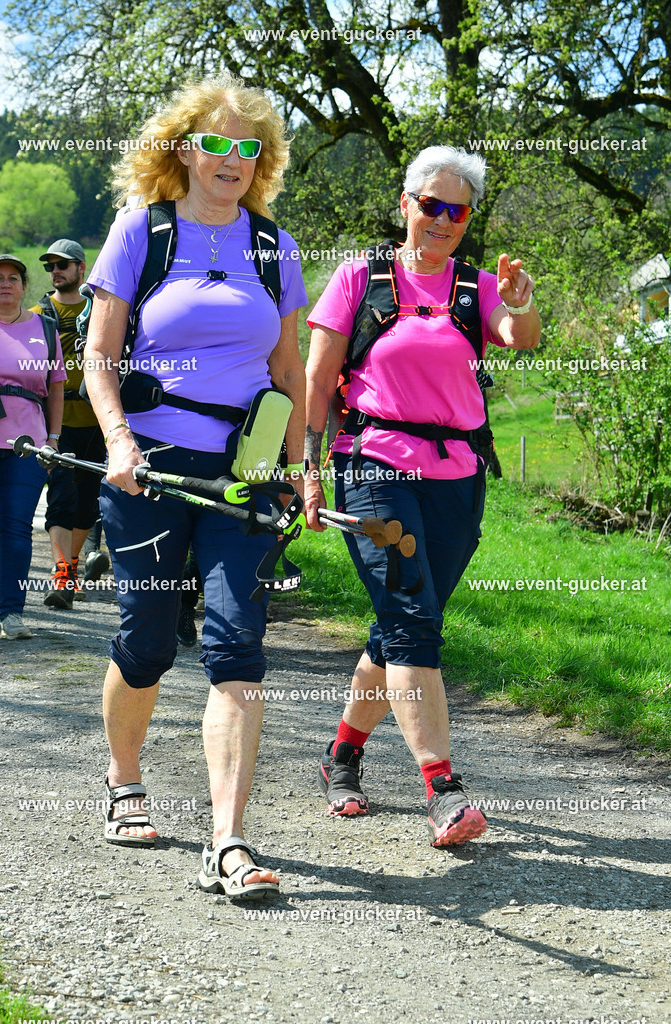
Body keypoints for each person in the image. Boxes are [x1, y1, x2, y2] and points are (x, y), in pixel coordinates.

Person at [83, 73, 306, 899]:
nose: (231, 158)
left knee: (238, 646)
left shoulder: (272, 246)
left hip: (245, 474)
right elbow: (99, 356)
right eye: (216, 142)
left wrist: (300, 467)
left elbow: (289, 369)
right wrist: (118, 441)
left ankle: (228, 842)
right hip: (147, 468)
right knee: (147, 641)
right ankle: (124, 780)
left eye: (248, 147)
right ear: (183, 148)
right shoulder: (141, 231)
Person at [304, 145, 541, 847]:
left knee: (403, 624)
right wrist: (307, 471)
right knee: (412, 620)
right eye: (430, 204)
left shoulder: (476, 286)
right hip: (372, 464)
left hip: (458, 475)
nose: (441, 219)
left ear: (468, 220)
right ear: (405, 204)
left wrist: (521, 304)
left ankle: (341, 756)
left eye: (456, 211)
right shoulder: (359, 277)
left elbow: (519, 337)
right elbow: (315, 382)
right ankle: (443, 788)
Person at [0, 254, 65, 638]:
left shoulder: (45, 328)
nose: (5, 283)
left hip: (27, 446)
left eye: (13, 278)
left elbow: (56, 388)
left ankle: (11, 614)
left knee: (16, 528)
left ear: (23, 286)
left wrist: (53, 439)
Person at [30, 239, 110, 609]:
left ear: (81, 268)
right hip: (56, 425)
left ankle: (71, 567)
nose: (55, 271)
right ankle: (61, 574)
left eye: (62, 264)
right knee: (61, 497)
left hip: (97, 422)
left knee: (88, 502)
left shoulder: (103, 310)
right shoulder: (37, 315)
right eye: (50, 266)